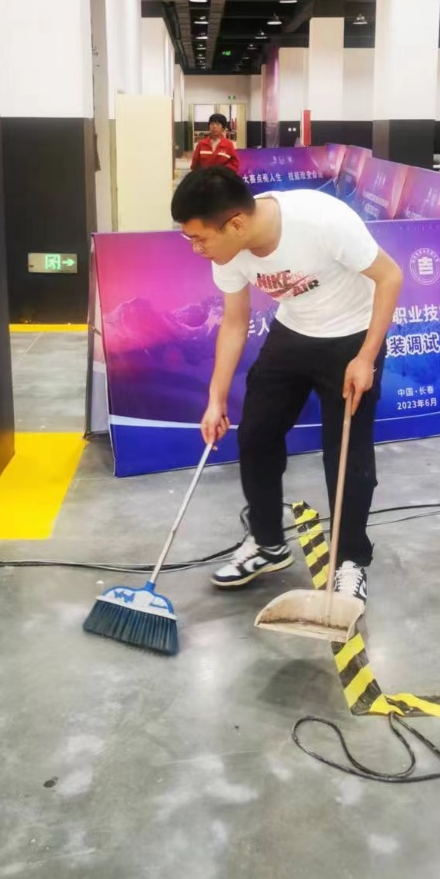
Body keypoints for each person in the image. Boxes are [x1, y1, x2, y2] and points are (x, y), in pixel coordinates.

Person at [170, 167, 403, 607]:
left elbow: (390, 277)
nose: (196, 248)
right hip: (292, 334)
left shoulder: (321, 220)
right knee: (256, 434)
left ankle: (351, 561)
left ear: (236, 224)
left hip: (351, 338)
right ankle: (268, 543)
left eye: (199, 238)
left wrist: (366, 357)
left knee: (347, 456)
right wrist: (216, 399)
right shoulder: (228, 253)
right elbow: (235, 322)